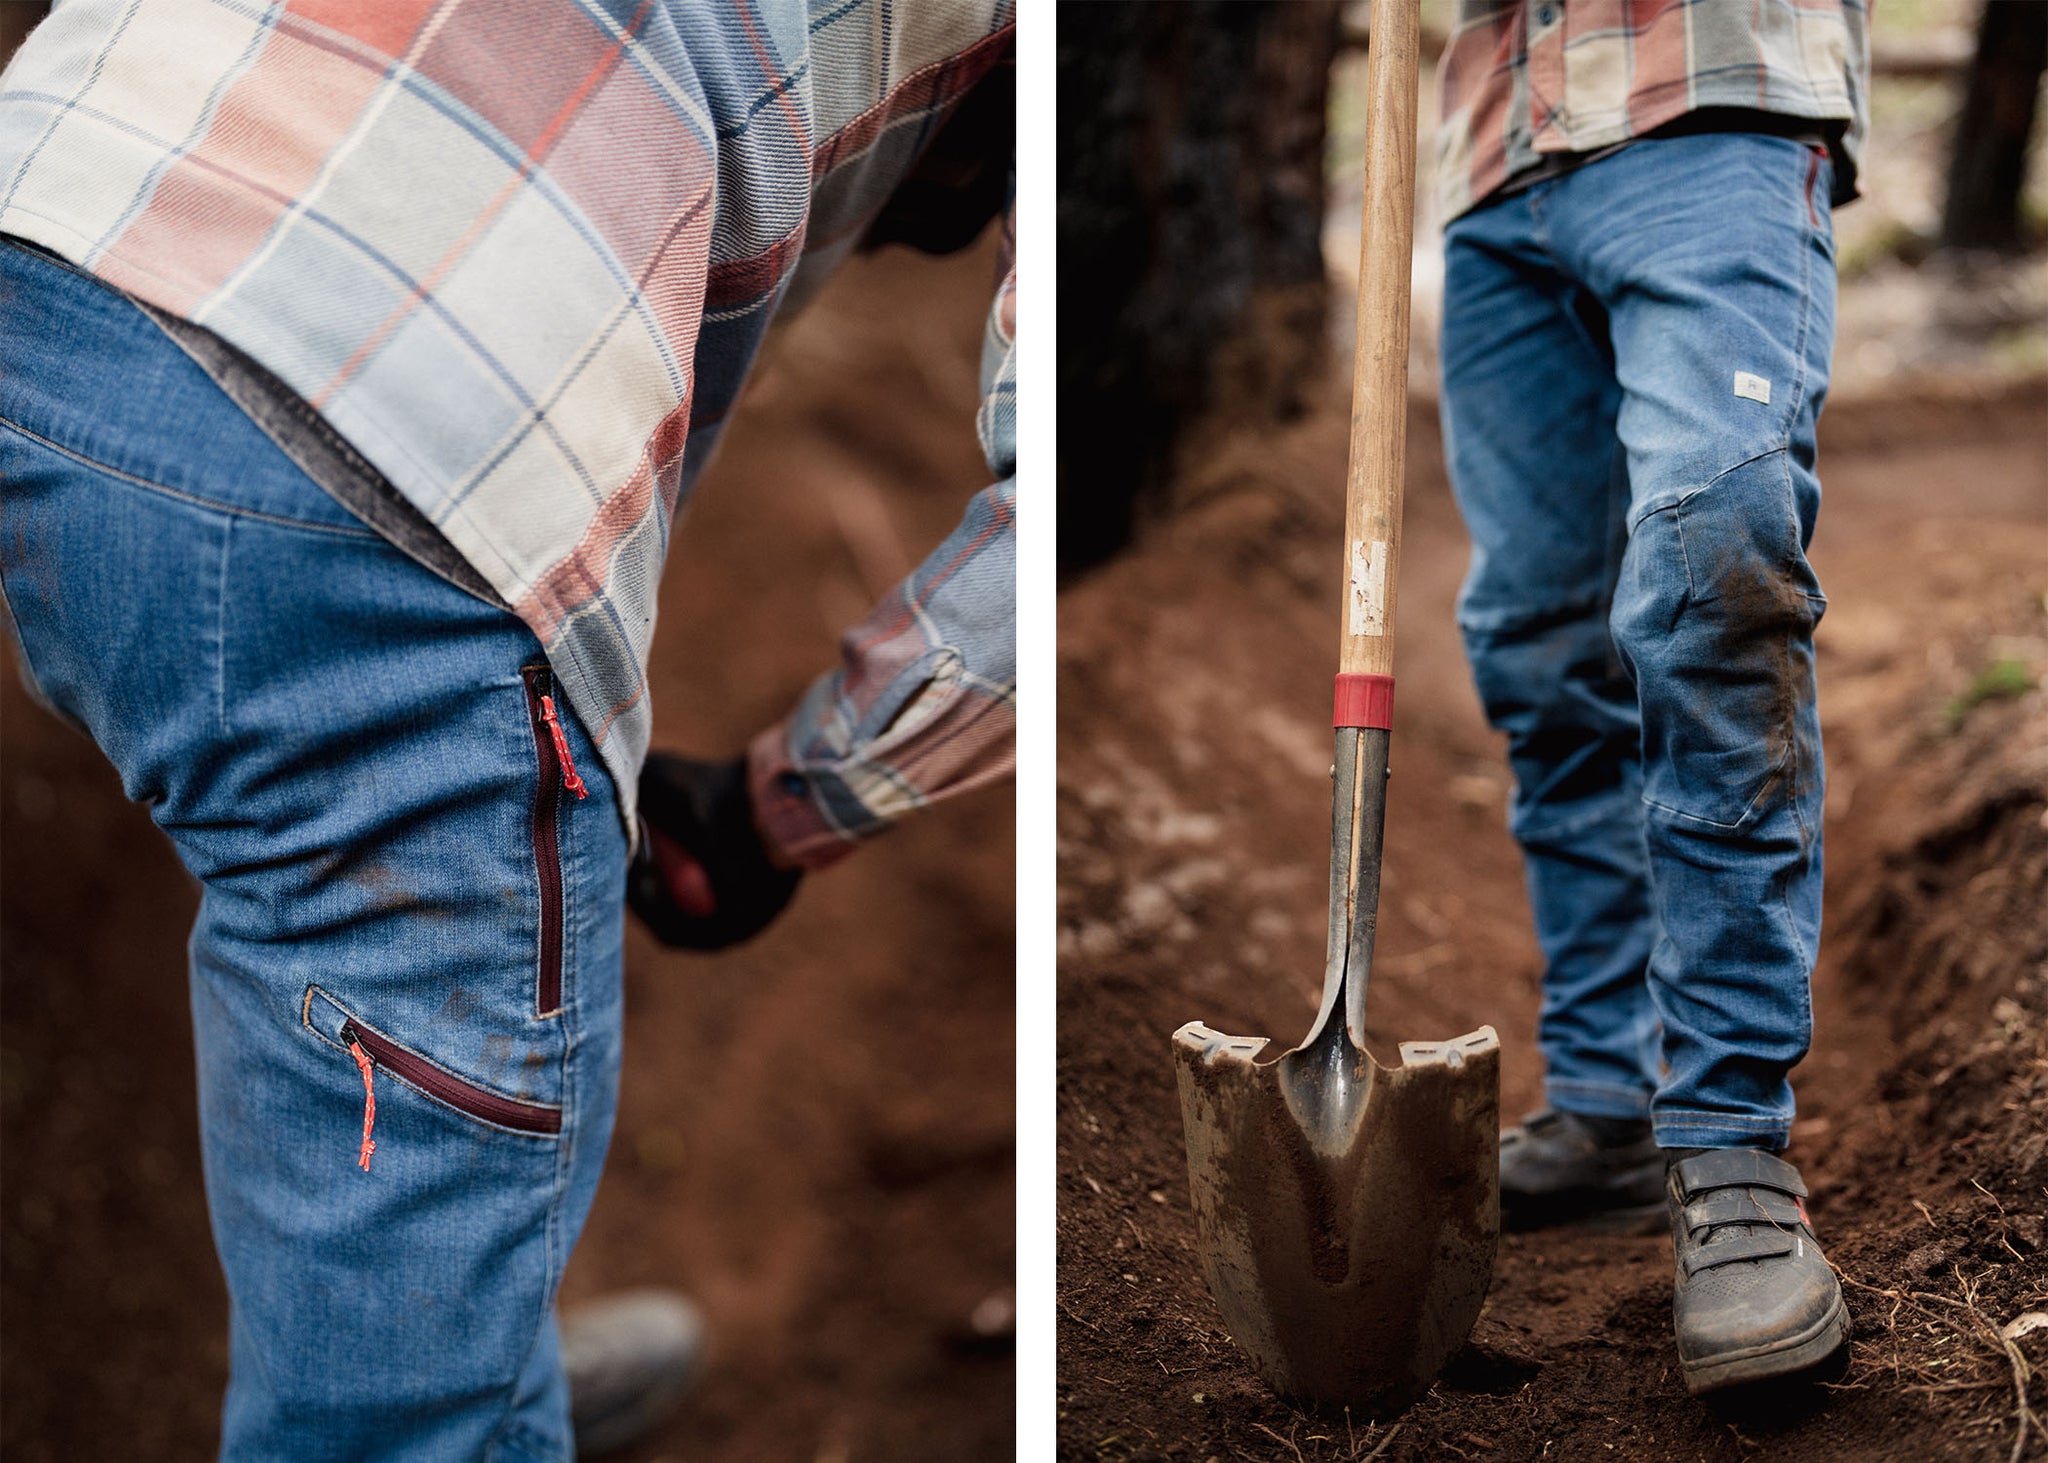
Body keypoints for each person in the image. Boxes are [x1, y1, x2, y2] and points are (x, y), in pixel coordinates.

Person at [0, 1, 1015, 1457]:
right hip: (377, 451)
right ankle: (439, 1401)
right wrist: (787, 800)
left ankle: (474, 1342)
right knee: (413, 1409)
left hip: (53, 227)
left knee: (362, 974)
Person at [1432, 0, 1867, 1394]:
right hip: (1495, 154)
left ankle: (1730, 1138)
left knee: (1712, 572)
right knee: (1541, 647)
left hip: (1713, 91)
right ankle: (1609, 1101)